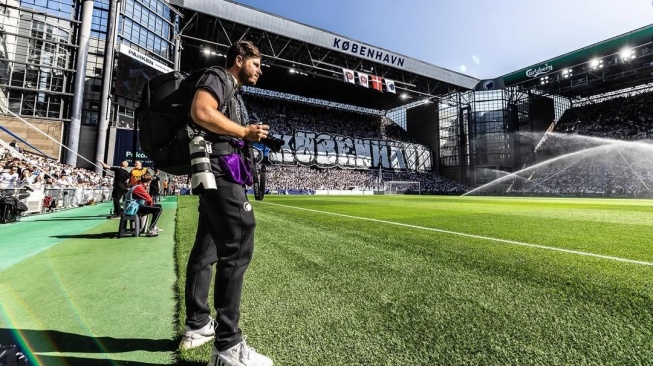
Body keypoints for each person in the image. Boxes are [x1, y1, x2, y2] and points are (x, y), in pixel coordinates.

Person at [182, 40, 272, 366]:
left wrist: (246, 135)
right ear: (239, 59)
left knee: (207, 245)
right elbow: (201, 111)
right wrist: (244, 132)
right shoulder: (219, 76)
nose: (260, 71)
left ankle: (197, 325)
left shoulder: (233, 91)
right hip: (219, 167)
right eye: (256, 64)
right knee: (239, 239)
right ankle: (228, 346)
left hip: (213, 169)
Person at [130, 173, 163, 237]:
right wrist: (150, 207)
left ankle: (154, 226)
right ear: (149, 181)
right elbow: (149, 199)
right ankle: (151, 229)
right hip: (133, 208)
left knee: (159, 206)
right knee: (158, 210)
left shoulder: (140, 186)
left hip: (134, 206)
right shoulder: (139, 188)